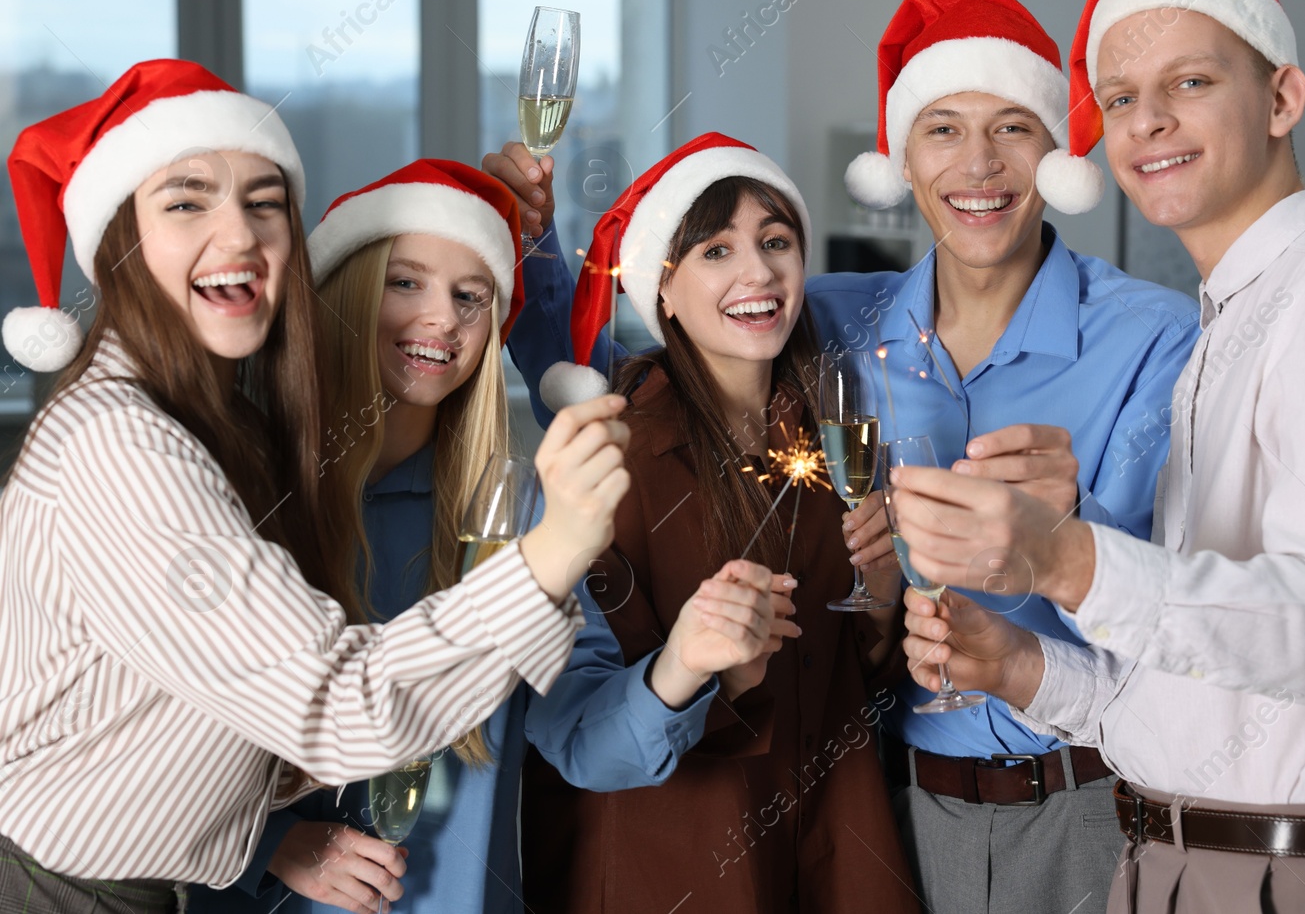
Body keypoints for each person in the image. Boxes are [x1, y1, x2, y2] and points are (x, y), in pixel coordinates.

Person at [494, 0, 1199, 914]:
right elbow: (628, 373)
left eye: (1013, 128)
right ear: (902, 160)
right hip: (904, 801)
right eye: (943, 128)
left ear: (1057, 153)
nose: (978, 164)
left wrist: (1071, 526)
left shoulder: (1158, 335)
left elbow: (1193, 599)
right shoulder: (827, 319)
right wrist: (531, 238)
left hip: (1085, 799)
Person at [895, 0, 1305, 913]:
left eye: (1190, 82)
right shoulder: (1232, 322)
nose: (1147, 120)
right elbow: (1200, 690)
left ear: (1283, 97)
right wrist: (1022, 665)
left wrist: (1065, 557)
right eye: (1120, 98)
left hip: (1298, 878)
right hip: (1178, 857)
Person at [0, 60, 625, 914]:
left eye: (263, 203)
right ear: (118, 237)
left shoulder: (221, 425)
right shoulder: (122, 445)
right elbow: (336, 710)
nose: (240, 235)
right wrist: (550, 554)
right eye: (187, 201)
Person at [192, 159, 780, 914]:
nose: (442, 318)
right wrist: (268, 847)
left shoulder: (524, 509)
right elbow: (157, 734)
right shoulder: (234, 488)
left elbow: (583, 739)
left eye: (472, 296)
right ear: (343, 295)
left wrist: (682, 663)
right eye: (405, 282)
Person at [526, 132, 915, 913]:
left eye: (777, 241)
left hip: (834, 851)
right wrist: (694, 667)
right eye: (715, 250)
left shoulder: (831, 437)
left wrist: (881, 590)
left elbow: (850, 671)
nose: (758, 271)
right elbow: (574, 737)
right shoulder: (605, 461)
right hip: (673, 865)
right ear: (660, 290)